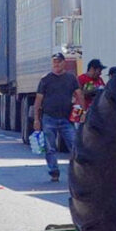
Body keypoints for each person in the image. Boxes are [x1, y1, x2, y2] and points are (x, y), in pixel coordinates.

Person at [35, 52, 84, 181]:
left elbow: (79, 95)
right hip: (49, 117)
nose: (56, 64)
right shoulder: (45, 79)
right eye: (54, 62)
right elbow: (38, 100)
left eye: (58, 61)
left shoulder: (71, 78)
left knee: (74, 145)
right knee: (50, 147)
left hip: (66, 118)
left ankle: (77, 172)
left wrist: (82, 112)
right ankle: (54, 171)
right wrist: (36, 119)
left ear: (64, 63)